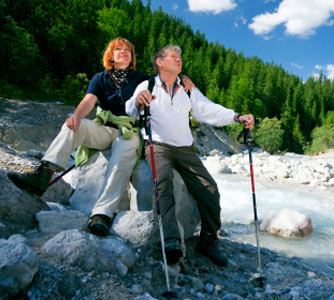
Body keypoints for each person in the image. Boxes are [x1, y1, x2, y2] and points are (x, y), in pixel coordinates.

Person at [7, 38, 194, 237]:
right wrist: (77, 116)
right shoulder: (100, 78)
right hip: (104, 129)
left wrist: (183, 78)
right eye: (119, 49)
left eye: (128, 50)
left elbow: (165, 78)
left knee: (120, 160)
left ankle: (101, 214)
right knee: (72, 126)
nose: (124, 52)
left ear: (132, 57)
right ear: (110, 56)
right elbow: (89, 101)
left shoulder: (141, 78)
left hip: (128, 131)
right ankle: (44, 173)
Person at [125, 45, 254, 266]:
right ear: (160, 61)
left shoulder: (187, 88)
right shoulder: (146, 85)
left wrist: (236, 116)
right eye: (174, 56)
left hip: (185, 149)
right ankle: (171, 239)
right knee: (163, 184)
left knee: (210, 189)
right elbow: (130, 108)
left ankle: (208, 241)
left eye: (180, 57)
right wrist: (138, 100)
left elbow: (207, 109)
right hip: (158, 146)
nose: (179, 60)